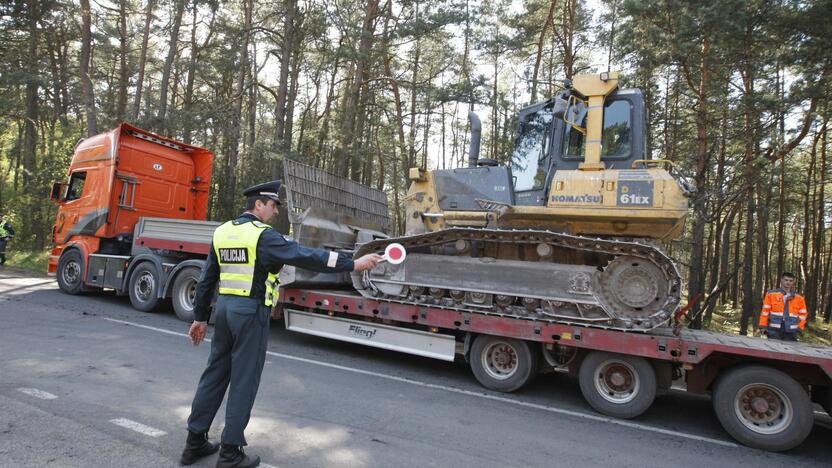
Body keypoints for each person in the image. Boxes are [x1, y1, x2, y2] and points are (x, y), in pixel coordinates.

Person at [180, 181, 382, 467]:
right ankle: (230, 452)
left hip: (223, 310)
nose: (275, 212)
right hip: (250, 313)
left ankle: (194, 442)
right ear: (258, 204)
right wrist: (353, 264)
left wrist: (200, 318)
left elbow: (206, 279)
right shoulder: (264, 236)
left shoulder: (222, 232)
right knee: (243, 381)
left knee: (214, 374)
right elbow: (308, 256)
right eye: (273, 206)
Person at [759, 272, 809, 341]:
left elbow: (803, 315)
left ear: (793, 282)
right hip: (774, 330)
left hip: (791, 331)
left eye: (790, 281)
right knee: (773, 349)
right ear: (781, 280)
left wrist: (800, 327)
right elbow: (765, 312)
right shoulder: (771, 294)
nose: (788, 282)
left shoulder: (799, 298)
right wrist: (763, 326)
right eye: (786, 280)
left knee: (789, 350)